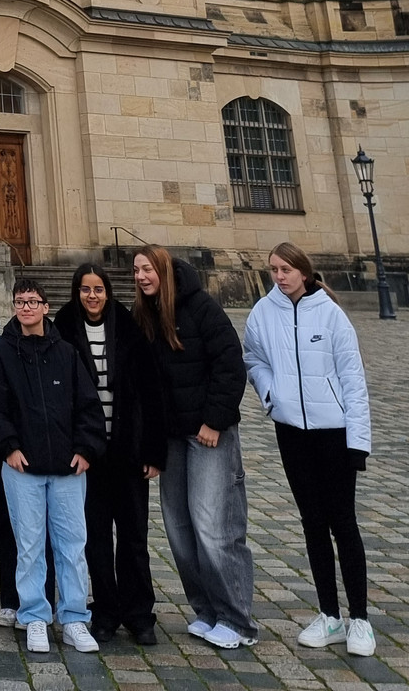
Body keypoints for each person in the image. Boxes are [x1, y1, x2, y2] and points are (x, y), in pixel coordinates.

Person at [243, 242, 375, 658]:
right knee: (312, 522)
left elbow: (353, 380)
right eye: (273, 270)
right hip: (292, 433)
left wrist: (358, 442)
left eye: (285, 269)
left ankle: (361, 619)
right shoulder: (263, 312)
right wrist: (271, 394)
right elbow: (253, 357)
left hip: (333, 432)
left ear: (303, 271)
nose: (278, 277)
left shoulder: (331, 314)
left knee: (344, 524)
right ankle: (329, 614)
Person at [133, 244, 258, 650]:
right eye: (136, 271)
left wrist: (214, 421)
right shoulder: (144, 315)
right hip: (172, 438)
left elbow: (229, 364)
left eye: (148, 269)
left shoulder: (201, 306)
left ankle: (237, 620)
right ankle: (206, 610)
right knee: (180, 530)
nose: (141, 276)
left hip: (208, 435)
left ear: (165, 270)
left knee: (214, 526)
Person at [0, 276, 106, 657]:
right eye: (20, 301)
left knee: (71, 546)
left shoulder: (66, 352)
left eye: (33, 301)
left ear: (46, 307)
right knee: (29, 546)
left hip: (67, 467)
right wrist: (8, 448)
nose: (26, 307)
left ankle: (75, 618)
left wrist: (86, 448)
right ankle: (33, 615)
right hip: (22, 468)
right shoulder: (2, 352)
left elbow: (87, 405)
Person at [55, 264, 166, 645]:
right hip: (88, 455)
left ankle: (140, 613)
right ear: (76, 292)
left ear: (108, 292)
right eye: (85, 289)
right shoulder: (64, 327)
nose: (92, 296)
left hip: (129, 451)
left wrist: (154, 452)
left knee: (134, 536)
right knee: (96, 537)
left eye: (98, 289)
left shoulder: (129, 327)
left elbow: (152, 393)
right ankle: (105, 610)